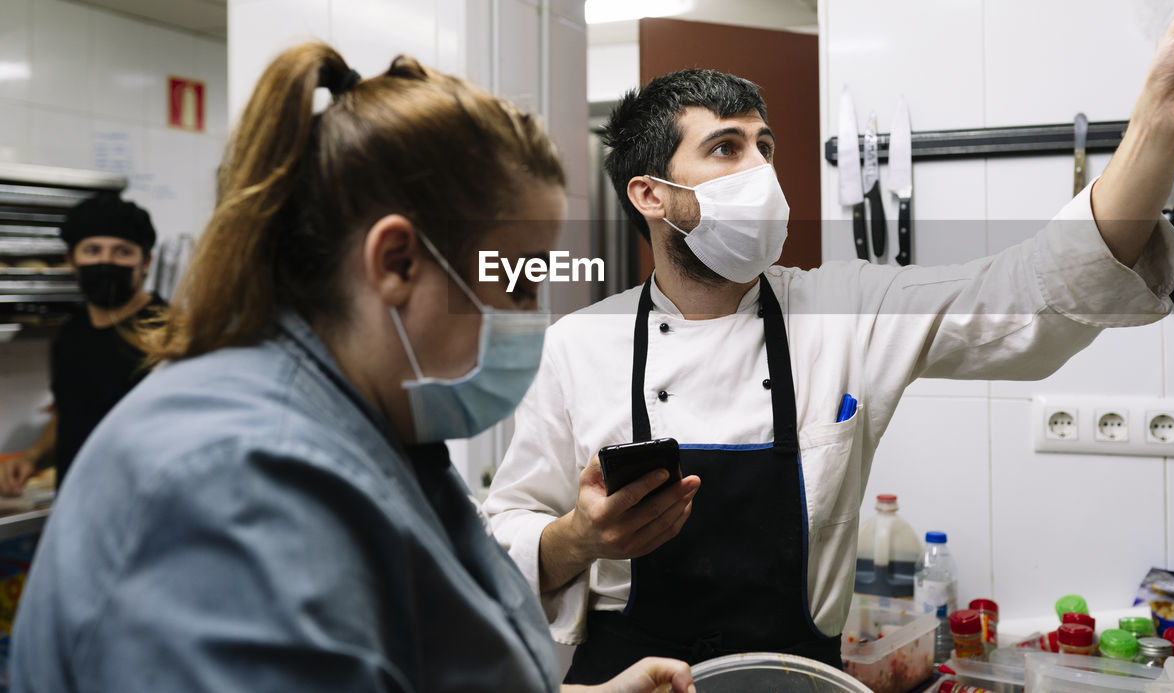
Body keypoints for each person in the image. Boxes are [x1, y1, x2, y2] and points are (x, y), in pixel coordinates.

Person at [482, 0, 1174, 683]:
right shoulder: (577, 345)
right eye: (725, 149)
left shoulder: (839, 310)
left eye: (764, 146)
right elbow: (505, 534)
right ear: (651, 196)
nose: (759, 173)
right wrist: (580, 538)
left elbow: (1032, 291)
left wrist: (1160, 124)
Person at [11, 44, 694, 693]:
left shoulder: (376, 434)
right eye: (516, 284)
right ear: (397, 262)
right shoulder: (238, 482)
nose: (532, 317)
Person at [0, 193, 164, 495]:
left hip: (143, 506)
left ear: (146, 262)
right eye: (92, 250)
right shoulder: (70, 333)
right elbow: (71, 412)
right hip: (77, 502)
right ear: (71, 261)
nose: (105, 262)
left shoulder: (168, 334)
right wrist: (32, 456)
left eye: (122, 251)